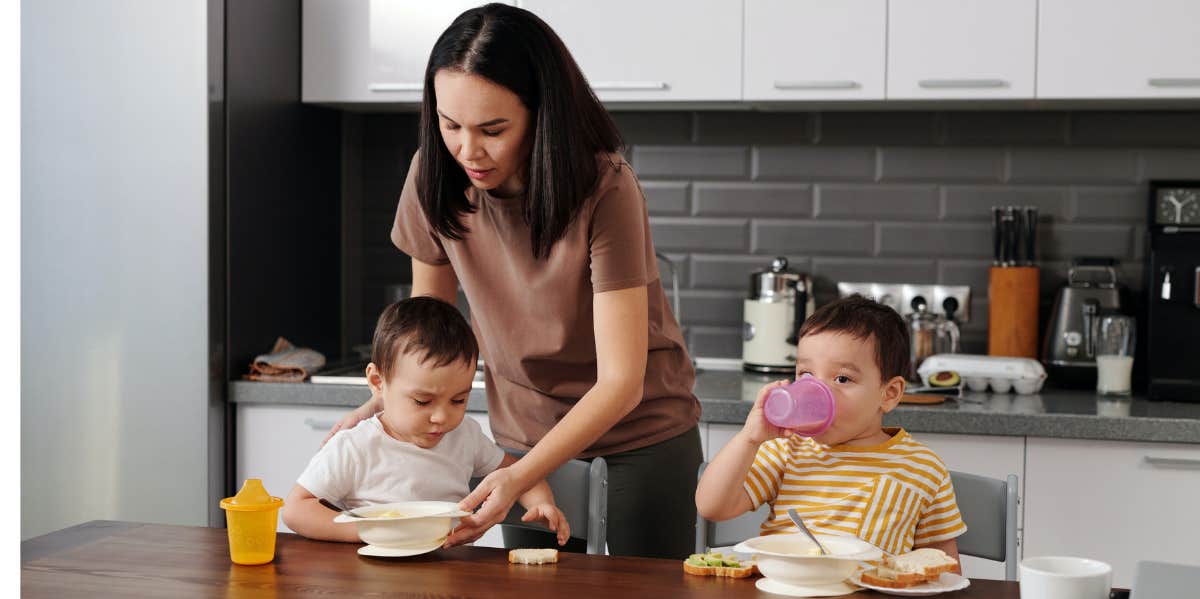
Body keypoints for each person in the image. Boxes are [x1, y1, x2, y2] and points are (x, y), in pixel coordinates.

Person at [325, 3, 702, 559]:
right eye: (450, 125)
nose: (468, 151)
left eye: (493, 129)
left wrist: (517, 474)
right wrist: (384, 406)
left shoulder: (606, 187)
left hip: (641, 435)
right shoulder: (433, 173)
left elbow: (622, 382)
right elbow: (427, 337)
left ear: (541, 114)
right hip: (520, 437)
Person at [695, 295, 966, 563]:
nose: (816, 392)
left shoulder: (922, 467)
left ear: (889, 393)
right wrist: (750, 439)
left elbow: (941, 563)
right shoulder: (786, 451)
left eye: (842, 378)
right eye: (806, 374)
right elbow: (712, 506)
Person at [284, 297, 568, 545]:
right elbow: (296, 509)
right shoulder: (356, 446)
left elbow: (516, 472)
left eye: (459, 400)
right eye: (422, 401)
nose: (442, 417)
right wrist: (367, 531)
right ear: (377, 382)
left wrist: (542, 502)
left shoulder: (465, 435)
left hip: (447, 571)